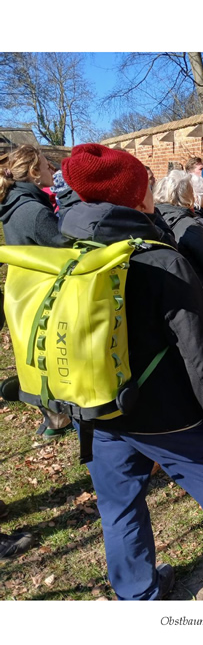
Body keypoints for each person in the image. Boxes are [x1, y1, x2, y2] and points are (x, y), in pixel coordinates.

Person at [57, 143, 203, 601]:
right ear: (135, 197)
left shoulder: (66, 248)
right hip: (168, 414)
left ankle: (138, 593)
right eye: (146, 185)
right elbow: (201, 352)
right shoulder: (160, 260)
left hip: (97, 407)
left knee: (118, 505)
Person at [0, 146, 74, 438]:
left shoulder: (15, 204)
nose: (51, 170)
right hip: (45, 293)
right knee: (51, 355)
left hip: (27, 291)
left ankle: (50, 414)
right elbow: (65, 247)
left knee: (38, 352)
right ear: (33, 173)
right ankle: (56, 418)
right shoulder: (32, 211)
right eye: (45, 166)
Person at [153, 170, 203, 316]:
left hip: (159, 301)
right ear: (187, 196)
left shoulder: (150, 221)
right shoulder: (191, 227)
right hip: (195, 301)